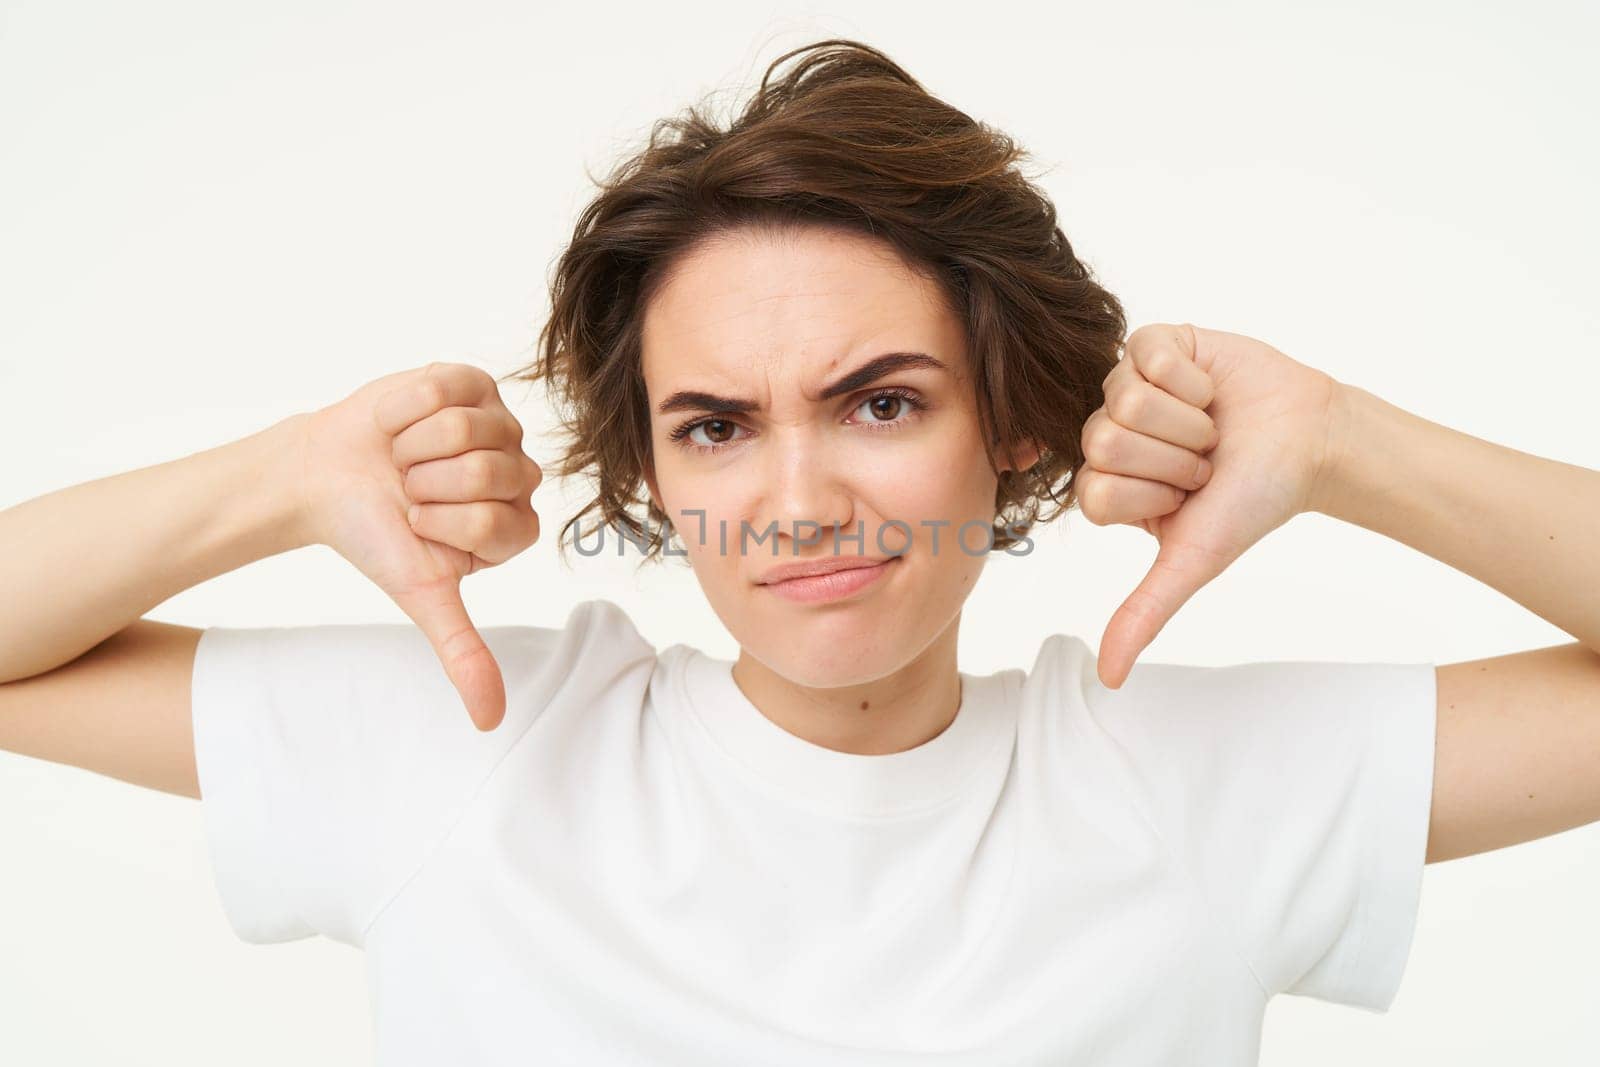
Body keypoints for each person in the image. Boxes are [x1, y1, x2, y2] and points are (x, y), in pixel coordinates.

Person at [1, 37, 1597, 1067]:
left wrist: (1347, 447)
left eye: (881, 403)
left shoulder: (1180, 787)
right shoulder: (477, 747)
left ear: (1017, 424)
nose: (797, 500)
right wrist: (279, 479)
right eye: (713, 426)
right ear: (647, 467)